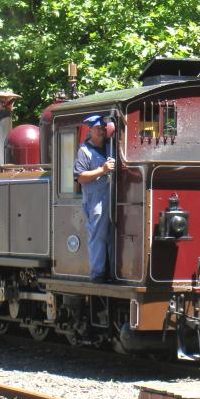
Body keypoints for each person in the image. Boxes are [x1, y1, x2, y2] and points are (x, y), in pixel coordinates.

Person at [73, 114, 116, 282]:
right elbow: (80, 177)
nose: (102, 131)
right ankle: (97, 273)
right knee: (97, 235)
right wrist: (102, 170)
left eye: (103, 128)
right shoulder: (84, 151)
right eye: (98, 129)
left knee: (113, 235)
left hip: (112, 195)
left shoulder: (108, 146)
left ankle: (112, 271)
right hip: (95, 199)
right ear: (90, 130)